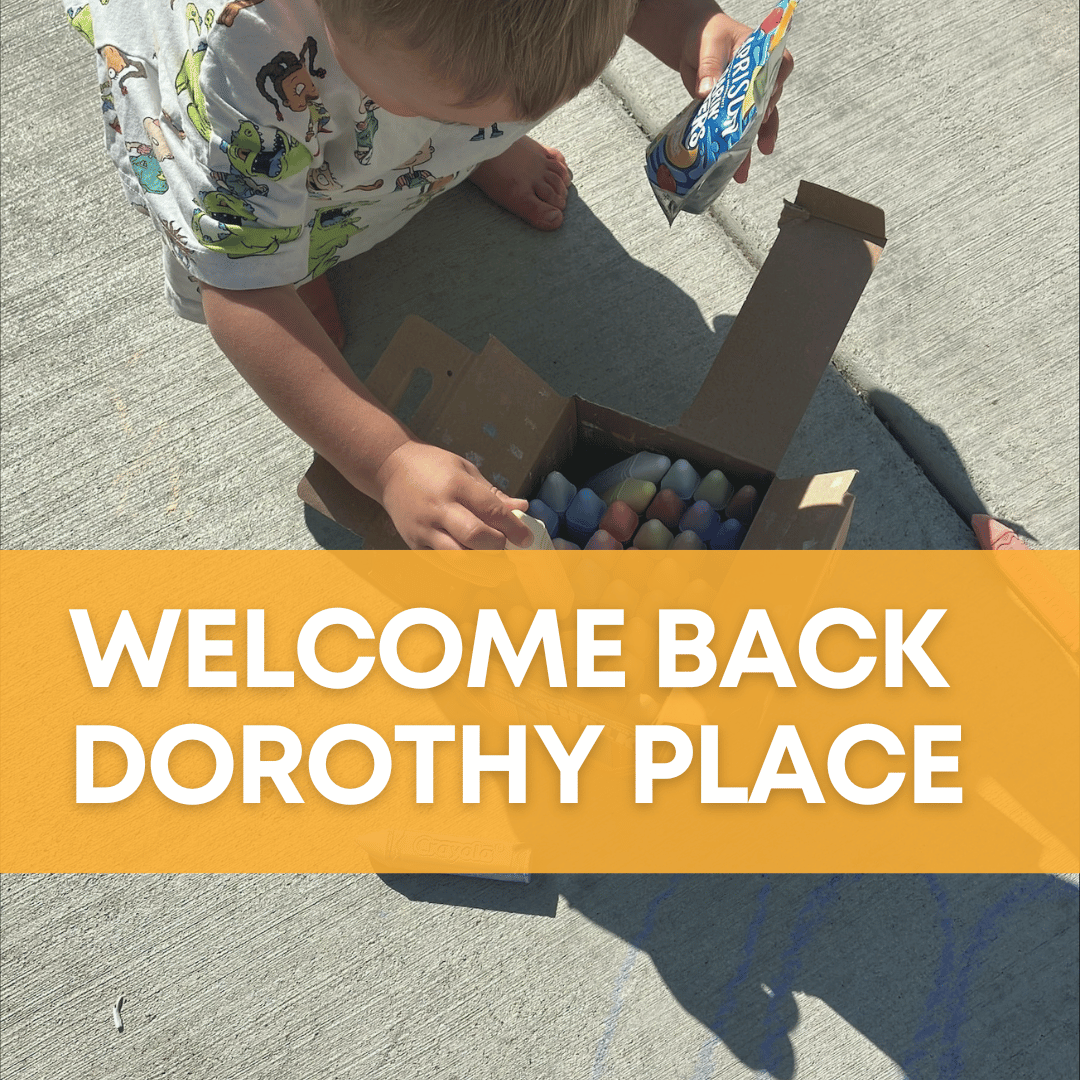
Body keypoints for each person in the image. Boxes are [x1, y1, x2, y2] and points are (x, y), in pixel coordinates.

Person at [69, 0, 791, 549]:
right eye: (474, 112)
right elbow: (236, 295)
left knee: (463, 91)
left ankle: (451, 144)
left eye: (523, 111)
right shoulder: (240, 74)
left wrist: (697, 29)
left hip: (399, 69)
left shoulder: (407, 39)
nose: (523, 114)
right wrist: (386, 462)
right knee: (258, 239)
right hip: (262, 137)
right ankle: (294, 236)